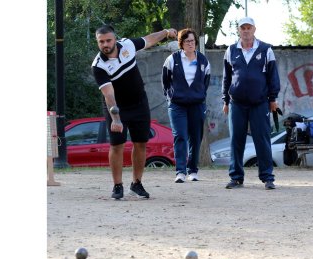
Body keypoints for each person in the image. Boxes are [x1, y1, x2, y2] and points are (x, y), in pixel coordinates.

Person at [91, 25, 177, 199]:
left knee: (141, 143)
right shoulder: (98, 65)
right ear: (98, 42)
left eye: (108, 40)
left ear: (115, 39)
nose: (105, 44)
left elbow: (149, 39)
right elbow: (109, 94)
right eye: (101, 42)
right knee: (117, 145)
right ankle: (117, 186)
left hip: (139, 103)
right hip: (117, 107)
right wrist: (116, 118)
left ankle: (136, 183)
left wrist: (166, 32)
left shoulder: (128, 45)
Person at [221, 17, 281, 190]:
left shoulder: (266, 49)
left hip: (260, 103)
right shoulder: (231, 50)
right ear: (239, 31)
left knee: (262, 139)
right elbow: (226, 78)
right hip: (236, 103)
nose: (246, 31)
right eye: (243, 28)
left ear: (254, 29)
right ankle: (236, 177)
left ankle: (268, 177)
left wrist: (273, 100)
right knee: (236, 140)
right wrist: (225, 100)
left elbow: (273, 77)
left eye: (249, 28)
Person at [162, 28, 211, 183]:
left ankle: (193, 170)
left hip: (197, 105)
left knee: (196, 138)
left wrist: (199, 96)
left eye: (192, 41)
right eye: (187, 41)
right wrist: (171, 98)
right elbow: (165, 81)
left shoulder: (203, 61)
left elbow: (206, 82)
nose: (190, 44)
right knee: (180, 136)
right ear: (181, 43)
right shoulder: (172, 59)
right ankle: (180, 171)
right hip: (177, 105)